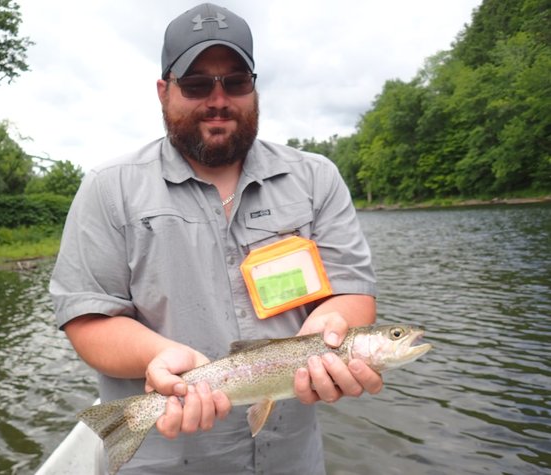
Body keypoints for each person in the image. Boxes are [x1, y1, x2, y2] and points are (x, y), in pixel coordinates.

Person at [50, 3, 381, 474]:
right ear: (164, 91)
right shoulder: (108, 187)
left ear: (255, 87)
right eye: (198, 83)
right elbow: (86, 321)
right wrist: (159, 355)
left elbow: (352, 293)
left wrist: (329, 334)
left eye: (236, 81)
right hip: (163, 459)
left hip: (293, 459)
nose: (219, 99)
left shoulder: (316, 178)